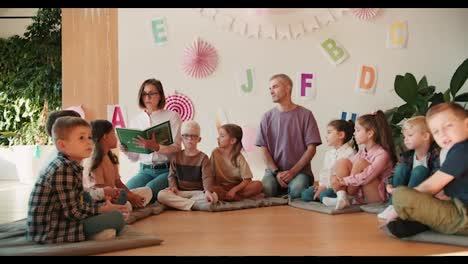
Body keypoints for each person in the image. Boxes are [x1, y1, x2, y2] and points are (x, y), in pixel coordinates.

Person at [26, 116, 128, 244]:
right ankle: (95, 233)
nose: (88, 142)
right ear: (62, 145)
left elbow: (79, 197)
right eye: (81, 138)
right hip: (51, 231)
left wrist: (103, 204)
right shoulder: (62, 168)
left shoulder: (70, 164)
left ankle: (98, 229)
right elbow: (73, 212)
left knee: (119, 203)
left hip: (66, 217)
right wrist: (103, 209)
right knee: (117, 217)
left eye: (90, 137)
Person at [387, 102, 468, 238]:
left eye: (448, 126)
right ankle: (423, 220)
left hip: (464, 215)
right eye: (436, 131)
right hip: (457, 205)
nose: (442, 134)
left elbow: (430, 186)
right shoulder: (454, 150)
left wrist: (397, 207)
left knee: (401, 194)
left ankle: (423, 221)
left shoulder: (462, 150)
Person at [256, 74, 322, 199]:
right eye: (269, 88)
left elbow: (312, 148)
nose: (271, 91)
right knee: (267, 189)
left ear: (287, 88)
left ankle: (290, 190)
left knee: (297, 190)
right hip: (273, 172)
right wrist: (276, 172)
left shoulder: (306, 115)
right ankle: (283, 189)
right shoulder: (266, 117)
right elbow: (263, 149)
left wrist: (293, 172)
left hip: (300, 172)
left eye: (275, 87)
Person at [120, 78, 182, 203]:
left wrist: (156, 147)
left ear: (160, 95)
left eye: (151, 93)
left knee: (147, 191)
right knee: (125, 191)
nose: (147, 97)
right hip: (144, 170)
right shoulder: (136, 120)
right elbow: (134, 157)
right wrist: (126, 150)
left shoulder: (172, 116)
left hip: (167, 170)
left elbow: (177, 149)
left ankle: (135, 207)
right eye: (144, 94)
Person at [324, 110, 397, 210]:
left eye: (358, 130)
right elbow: (348, 168)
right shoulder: (362, 152)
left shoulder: (382, 154)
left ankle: (347, 198)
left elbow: (367, 176)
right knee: (343, 162)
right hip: (361, 194)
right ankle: (342, 197)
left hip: (377, 197)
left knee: (361, 163)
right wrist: (334, 177)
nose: (354, 134)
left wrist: (343, 181)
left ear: (370, 133)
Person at [378, 116, 440, 220]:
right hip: (403, 191)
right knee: (401, 168)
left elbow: (437, 176)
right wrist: (389, 185)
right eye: (404, 136)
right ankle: (393, 205)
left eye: (410, 135)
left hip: (422, 194)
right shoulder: (407, 156)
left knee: (420, 170)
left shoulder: (436, 154)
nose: (405, 139)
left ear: (425, 136)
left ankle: (406, 206)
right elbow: (393, 173)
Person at [84, 120, 153, 213]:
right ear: (105, 136)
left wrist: (132, 195)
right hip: (106, 200)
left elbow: (118, 182)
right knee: (127, 204)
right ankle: (127, 206)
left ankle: (131, 203)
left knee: (147, 191)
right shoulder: (95, 161)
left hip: (117, 194)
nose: (116, 137)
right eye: (113, 133)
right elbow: (101, 191)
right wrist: (130, 197)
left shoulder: (110, 156)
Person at [157, 121, 217, 210]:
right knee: (161, 195)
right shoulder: (176, 156)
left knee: (214, 197)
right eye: (186, 136)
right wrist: (173, 187)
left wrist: (207, 191)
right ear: (181, 138)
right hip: (180, 192)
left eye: (193, 136)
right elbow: (171, 175)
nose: (189, 139)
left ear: (199, 139)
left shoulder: (203, 158)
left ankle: (181, 204)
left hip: (198, 192)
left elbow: (207, 177)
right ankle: (193, 205)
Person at [301, 120, 357, 203]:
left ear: (341, 135)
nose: (326, 136)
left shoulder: (350, 153)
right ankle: (325, 198)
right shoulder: (328, 154)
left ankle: (337, 199)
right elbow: (325, 172)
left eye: (329, 132)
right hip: (326, 187)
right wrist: (321, 186)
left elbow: (346, 177)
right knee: (305, 194)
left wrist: (326, 187)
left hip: (339, 188)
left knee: (325, 194)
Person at [210, 124, 263, 201]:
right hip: (221, 186)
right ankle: (237, 198)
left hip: (237, 187)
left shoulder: (239, 157)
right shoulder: (215, 152)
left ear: (232, 141)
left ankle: (230, 197)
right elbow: (210, 173)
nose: (218, 138)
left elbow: (247, 179)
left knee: (258, 185)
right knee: (211, 188)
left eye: (222, 136)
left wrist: (234, 190)